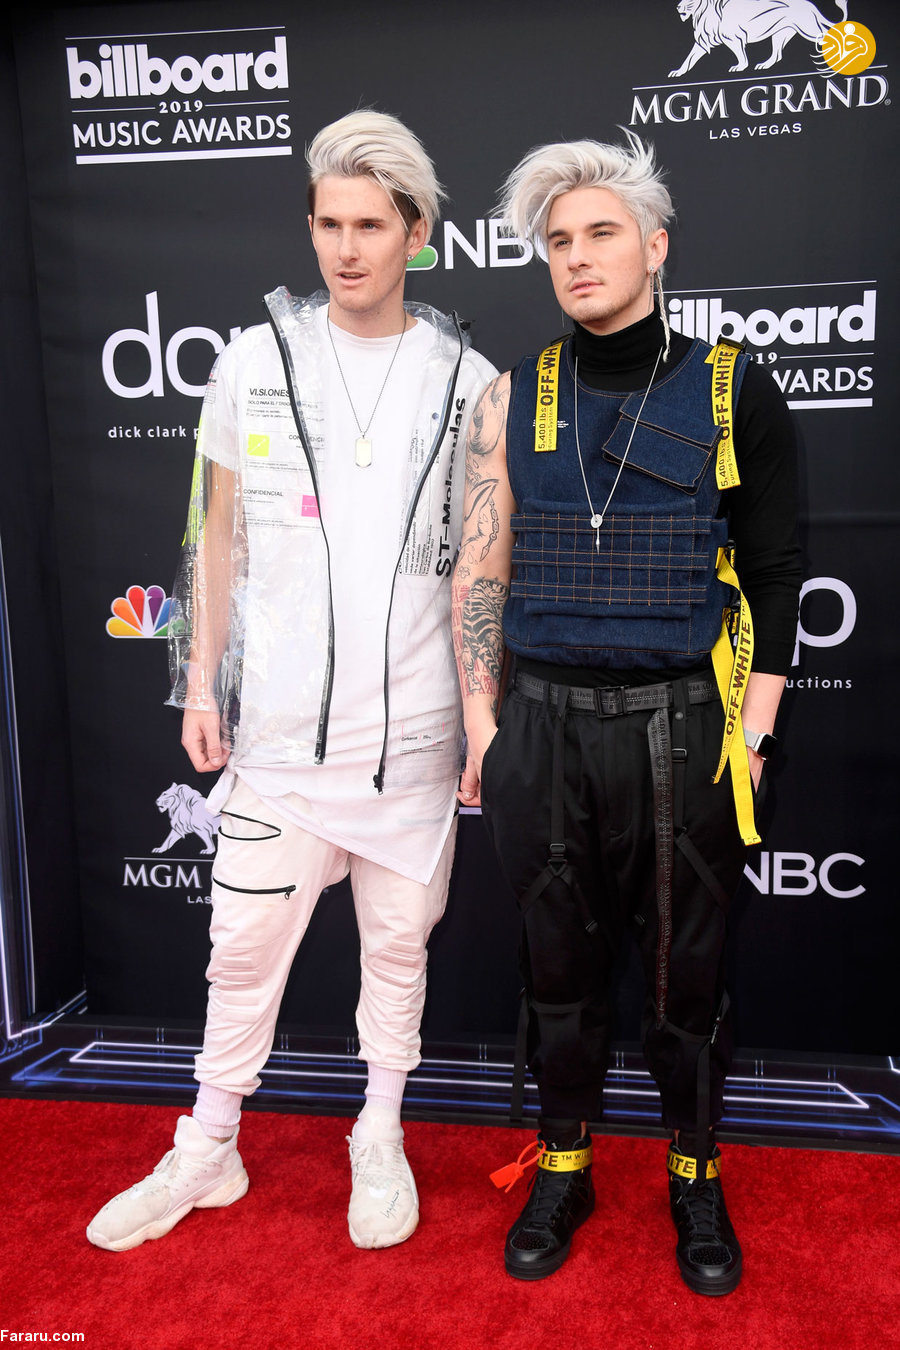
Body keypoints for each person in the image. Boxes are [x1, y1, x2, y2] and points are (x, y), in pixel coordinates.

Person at [87, 110, 496, 1254]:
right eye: (329, 224)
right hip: (277, 740)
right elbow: (215, 537)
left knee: (399, 956)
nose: (347, 248)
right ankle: (207, 1148)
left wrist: (480, 719)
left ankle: (380, 1132)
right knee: (240, 954)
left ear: (416, 233)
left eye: (371, 225)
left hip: (413, 743)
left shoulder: (468, 380)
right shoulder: (251, 362)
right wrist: (198, 685)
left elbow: (480, 565)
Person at [452, 130, 801, 1293]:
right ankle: (565, 1166)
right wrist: (486, 730)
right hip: (541, 730)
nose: (577, 255)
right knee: (556, 971)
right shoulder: (509, 397)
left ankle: (695, 1175)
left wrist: (752, 732)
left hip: (682, 730)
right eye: (558, 240)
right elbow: (480, 571)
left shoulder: (732, 385)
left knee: (683, 978)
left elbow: (778, 570)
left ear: (654, 245)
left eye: (601, 232)